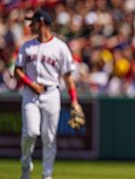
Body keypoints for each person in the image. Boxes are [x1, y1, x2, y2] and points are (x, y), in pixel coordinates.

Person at [15, 10, 84, 179]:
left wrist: (74, 100)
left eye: (33, 22)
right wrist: (31, 84)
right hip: (30, 94)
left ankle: (47, 175)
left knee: (49, 137)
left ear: (42, 23)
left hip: (52, 93)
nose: (30, 26)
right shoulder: (27, 46)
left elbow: (67, 76)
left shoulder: (60, 47)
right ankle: (25, 165)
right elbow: (17, 70)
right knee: (30, 132)